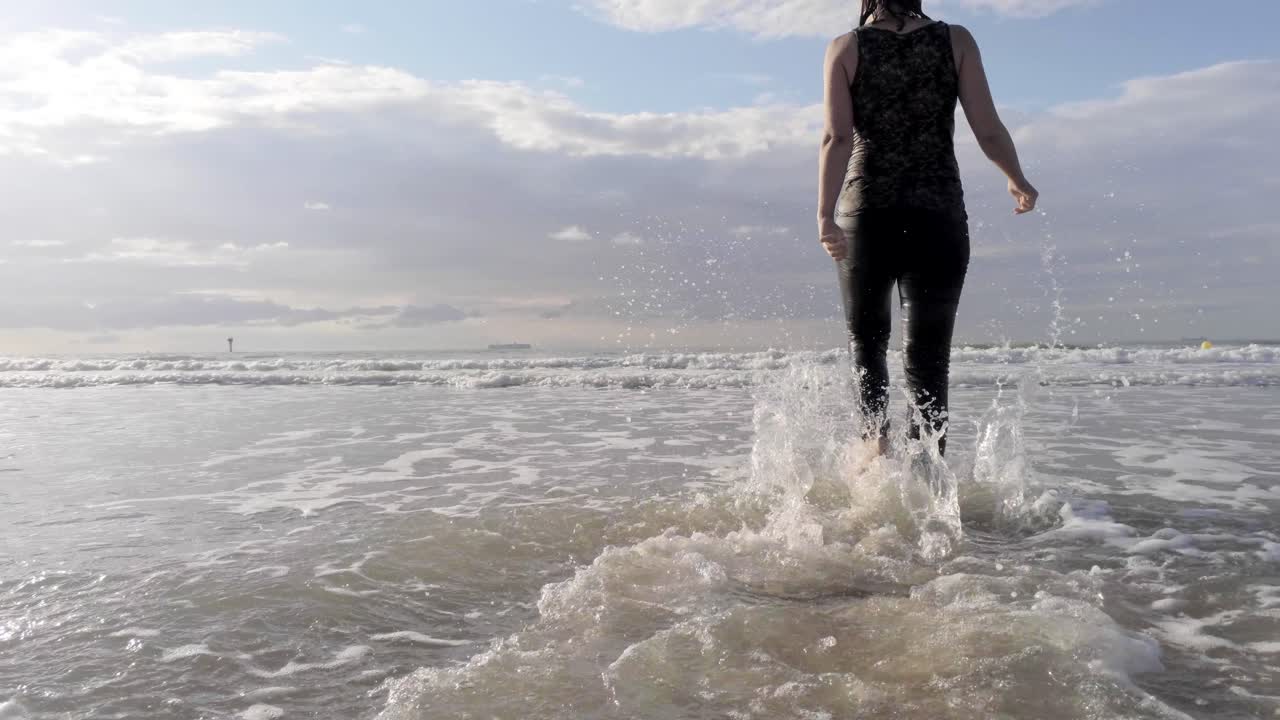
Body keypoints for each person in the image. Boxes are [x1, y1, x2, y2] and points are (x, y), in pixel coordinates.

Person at [817, 0, 1037, 457]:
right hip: (937, 211)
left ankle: (874, 456)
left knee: (868, 342)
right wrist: (1015, 178)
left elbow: (837, 138)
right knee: (929, 357)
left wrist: (824, 214)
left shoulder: (845, 48)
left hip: (866, 210)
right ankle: (929, 474)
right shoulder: (955, 40)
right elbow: (988, 129)